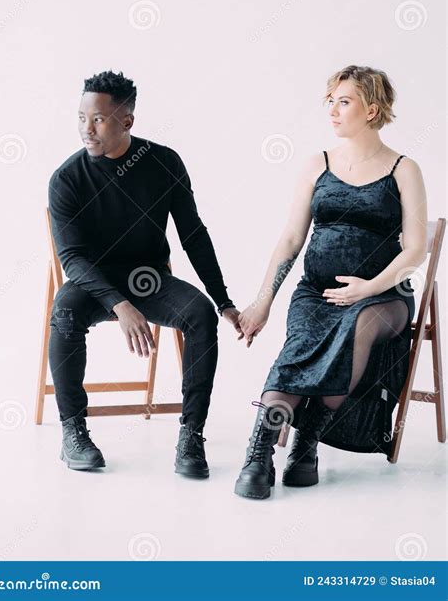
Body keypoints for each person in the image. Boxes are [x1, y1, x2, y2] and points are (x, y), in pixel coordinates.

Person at [234, 65, 428, 499]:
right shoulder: (316, 165)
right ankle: (260, 453)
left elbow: (414, 250)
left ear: (371, 109)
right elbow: (290, 238)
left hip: (383, 297)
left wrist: (369, 286)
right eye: (331, 101)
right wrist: (263, 300)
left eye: (344, 102)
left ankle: (306, 443)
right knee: (298, 346)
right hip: (316, 292)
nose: (333, 111)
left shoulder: (403, 168)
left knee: (353, 328)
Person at [48, 69, 242, 476]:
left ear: (127, 121)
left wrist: (223, 299)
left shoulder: (163, 162)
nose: (87, 128)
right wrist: (118, 305)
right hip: (92, 285)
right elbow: (73, 260)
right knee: (64, 311)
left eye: (98, 119)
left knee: (201, 313)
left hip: (149, 281)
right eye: (82, 117)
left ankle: (191, 437)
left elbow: (194, 235)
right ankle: (74, 433)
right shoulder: (67, 179)